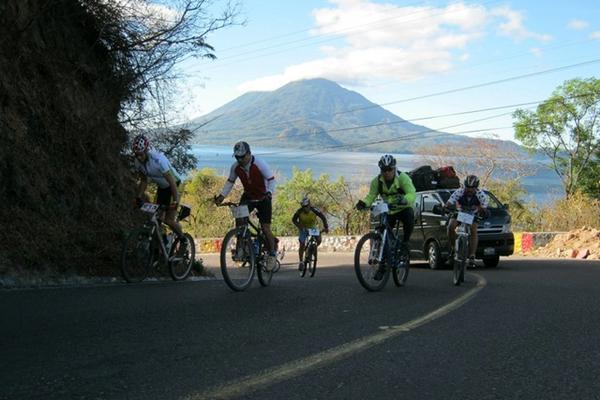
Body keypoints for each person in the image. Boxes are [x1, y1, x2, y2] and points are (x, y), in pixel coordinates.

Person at [214, 141, 278, 271]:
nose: (240, 159)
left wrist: (269, 193)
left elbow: (272, 180)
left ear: (249, 153)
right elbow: (230, 182)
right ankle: (241, 247)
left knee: (265, 228)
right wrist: (221, 197)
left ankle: (272, 253)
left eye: (242, 156)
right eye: (237, 157)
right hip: (248, 196)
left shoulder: (259, 163)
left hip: (263, 197)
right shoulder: (235, 167)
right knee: (239, 219)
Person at [355, 154, 416, 280]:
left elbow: (412, 193)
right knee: (383, 235)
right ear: (380, 170)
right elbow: (371, 196)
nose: (387, 172)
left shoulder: (403, 178)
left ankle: (405, 243)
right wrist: (364, 203)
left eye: (389, 169)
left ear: (394, 168)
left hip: (402, 208)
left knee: (409, 216)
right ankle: (382, 268)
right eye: (384, 170)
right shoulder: (376, 181)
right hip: (388, 210)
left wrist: (405, 199)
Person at [131, 134, 186, 242]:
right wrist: (138, 197)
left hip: (175, 186)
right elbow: (144, 181)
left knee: (169, 220)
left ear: (146, 151)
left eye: (141, 154)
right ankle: (162, 241)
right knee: (157, 218)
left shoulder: (158, 160)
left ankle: (183, 239)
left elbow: (172, 182)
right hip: (162, 188)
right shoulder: (138, 162)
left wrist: (175, 201)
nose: (139, 157)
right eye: (136, 155)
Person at [445, 175, 489, 267]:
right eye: (467, 187)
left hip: (473, 214)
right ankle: (454, 249)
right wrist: (447, 206)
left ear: (476, 188)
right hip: (460, 212)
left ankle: (472, 255)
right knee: (450, 226)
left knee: (473, 229)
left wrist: (481, 209)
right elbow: (450, 201)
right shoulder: (459, 191)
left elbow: (484, 208)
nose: (469, 190)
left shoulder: (481, 195)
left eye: (472, 188)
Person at [292, 196, 329, 271]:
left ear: (309, 205)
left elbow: (323, 217)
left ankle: (310, 251)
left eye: (307, 206)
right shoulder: (299, 211)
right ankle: (301, 262)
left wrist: (326, 227)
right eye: (304, 207)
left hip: (312, 227)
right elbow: (293, 220)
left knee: (318, 240)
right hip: (303, 228)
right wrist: (299, 226)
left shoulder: (314, 210)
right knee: (302, 244)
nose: (305, 208)